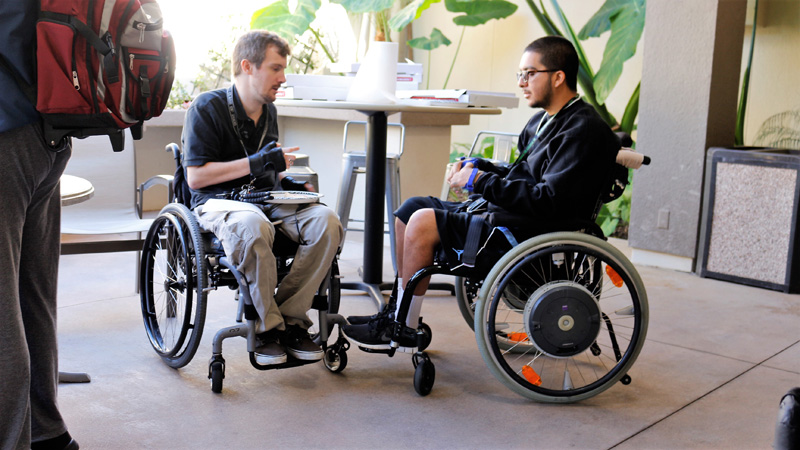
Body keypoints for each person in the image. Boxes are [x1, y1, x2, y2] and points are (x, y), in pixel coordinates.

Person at [343, 35, 622, 349]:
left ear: (558, 77)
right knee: (408, 211)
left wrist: (478, 182)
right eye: (521, 74)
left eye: (530, 73)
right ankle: (398, 315)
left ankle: (403, 328)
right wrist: (479, 167)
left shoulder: (581, 130)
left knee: (422, 221)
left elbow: (548, 201)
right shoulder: (542, 122)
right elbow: (521, 175)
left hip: (527, 232)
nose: (522, 82)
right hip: (511, 218)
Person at [182, 30, 343, 365]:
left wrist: (294, 187)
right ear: (247, 66)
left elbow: (269, 171)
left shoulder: (268, 111)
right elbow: (196, 177)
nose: (283, 78)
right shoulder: (206, 108)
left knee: (327, 220)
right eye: (275, 68)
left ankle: (291, 321)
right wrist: (257, 162)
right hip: (218, 202)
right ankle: (267, 328)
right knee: (253, 225)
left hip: (264, 198)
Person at [0, 2, 79, 450]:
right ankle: (48, 433)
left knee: (3, 309)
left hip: (5, 130)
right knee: (33, 295)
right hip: (49, 134)